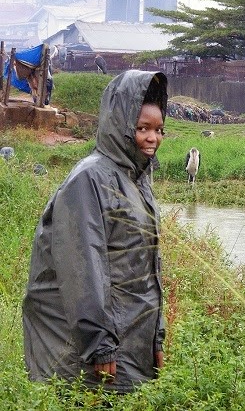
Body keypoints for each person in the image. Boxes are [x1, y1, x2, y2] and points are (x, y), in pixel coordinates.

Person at [22, 70, 168, 392]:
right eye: (142, 128)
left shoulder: (137, 180)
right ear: (120, 124)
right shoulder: (88, 180)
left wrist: (156, 336)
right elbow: (83, 268)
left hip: (130, 337)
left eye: (158, 129)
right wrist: (99, 343)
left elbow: (147, 269)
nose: (152, 138)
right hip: (85, 347)